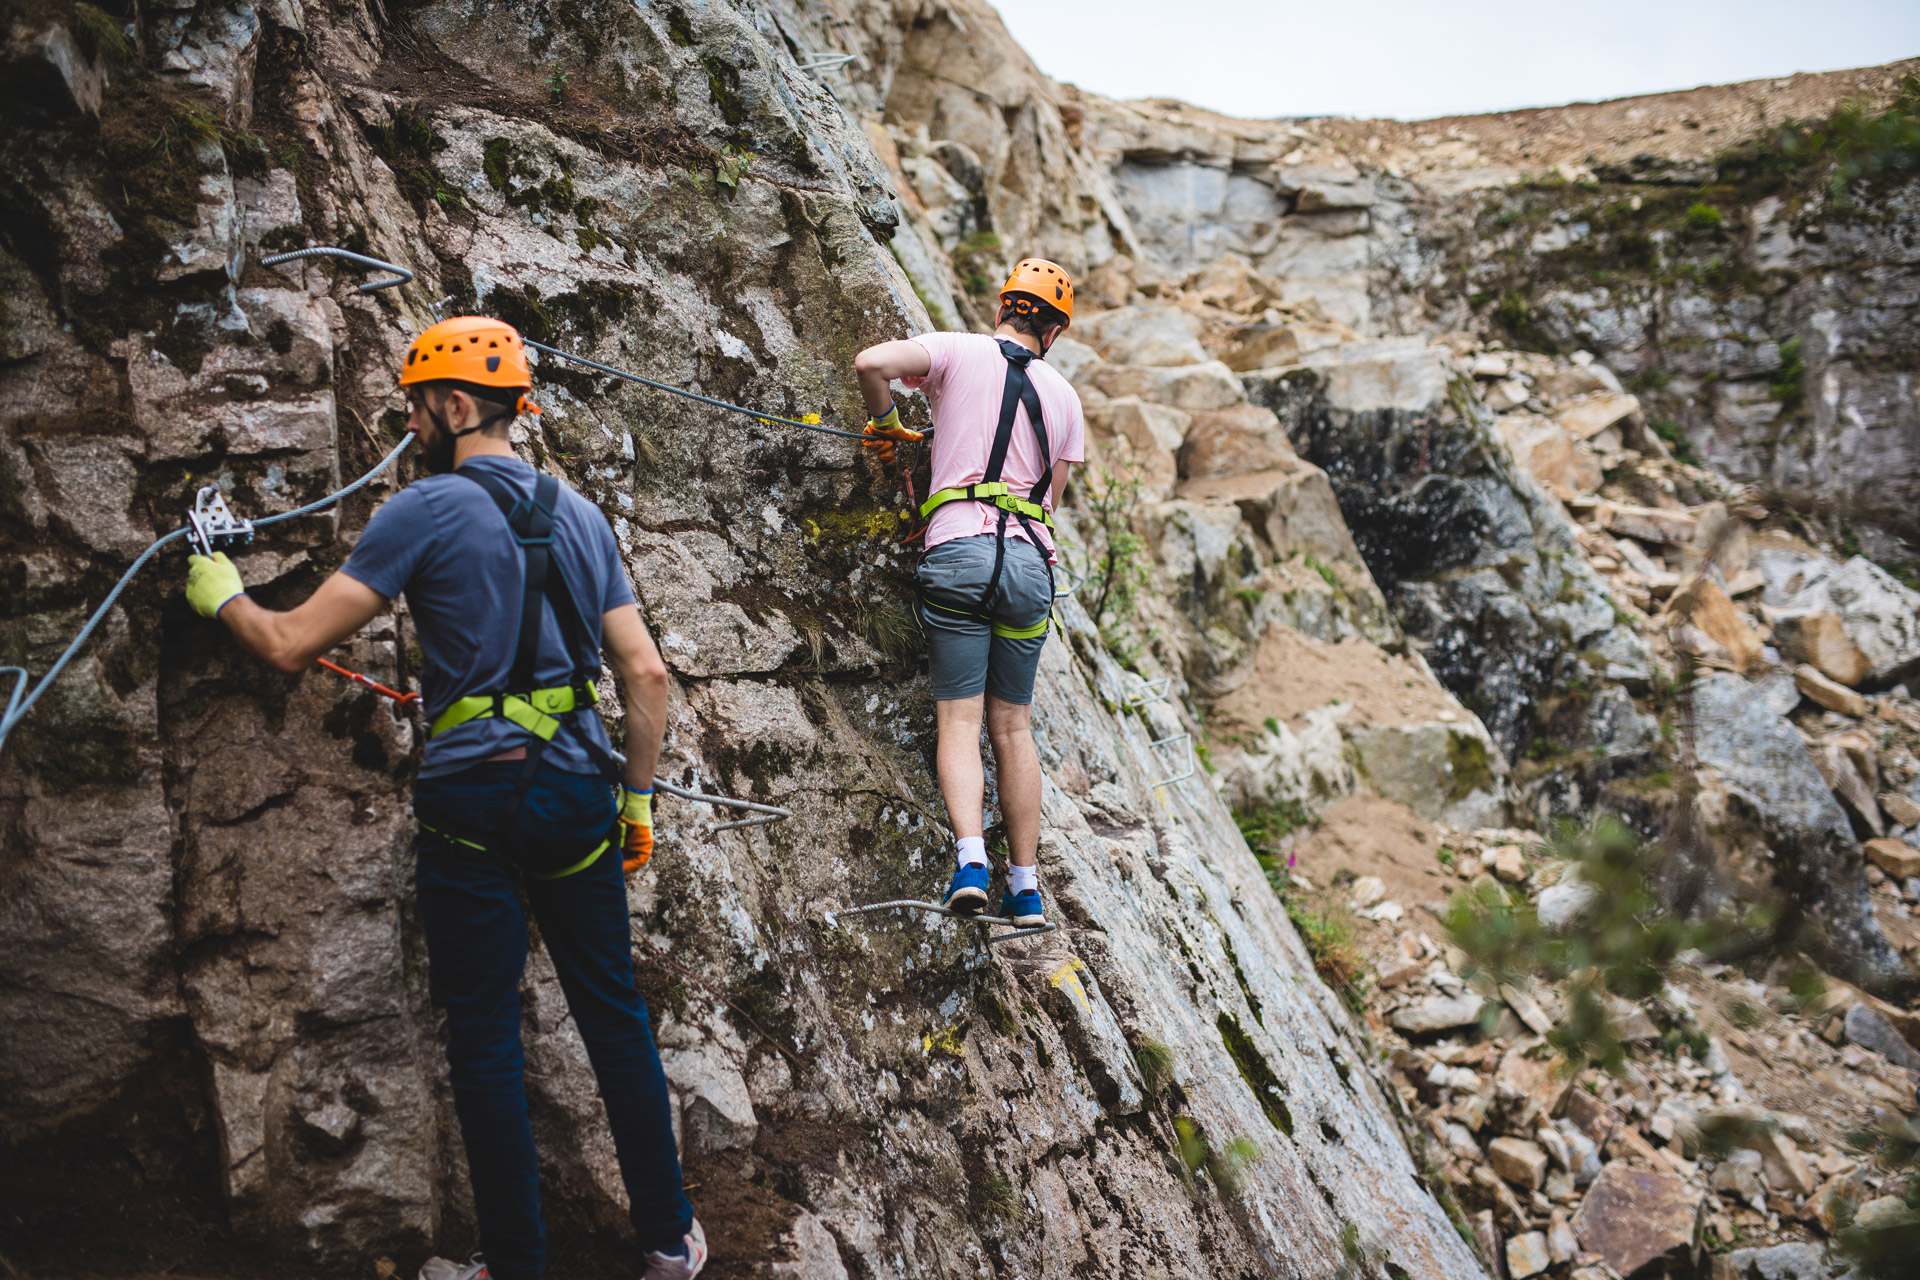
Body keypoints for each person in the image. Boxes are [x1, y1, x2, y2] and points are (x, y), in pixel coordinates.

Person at [183, 316, 706, 1280]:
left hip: (472, 798)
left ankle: (512, 1263)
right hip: (578, 793)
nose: (408, 421)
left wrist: (221, 592)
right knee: (614, 1015)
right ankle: (671, 1240)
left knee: (484, 1036)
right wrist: (636, 804)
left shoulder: (420, 513)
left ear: (456, 405)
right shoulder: (581, 516)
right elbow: (647, 674)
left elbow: (292, 644)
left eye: (417, 404)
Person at [853, 260, 1085, 929]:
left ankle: (971, 862)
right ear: (1057, 330)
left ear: (1002, 310)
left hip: (957, 551)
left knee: (960, 721)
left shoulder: (955, 350)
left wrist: (890, 423)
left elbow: (871, 362)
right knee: (1012, 727)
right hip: (1026, 568)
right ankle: (1027, 887)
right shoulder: (1065, 399)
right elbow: (1050, 503)